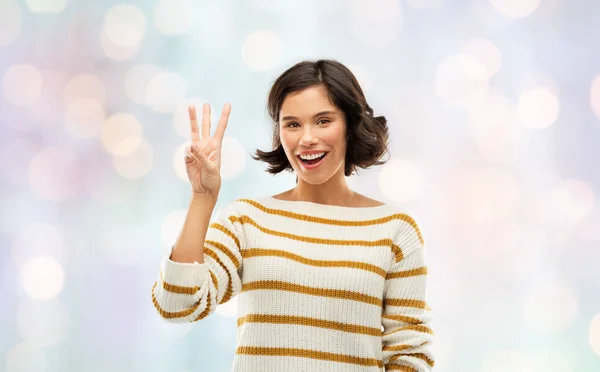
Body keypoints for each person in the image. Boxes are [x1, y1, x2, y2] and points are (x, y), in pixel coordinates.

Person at [151, 59, 435, 371]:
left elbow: (409, 356)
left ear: (351, 125)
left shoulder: (394, 230)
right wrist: (203, 198)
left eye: (323, 121)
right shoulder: (246, 221)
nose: (307, 138)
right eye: (293, 124)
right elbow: (176, 304)